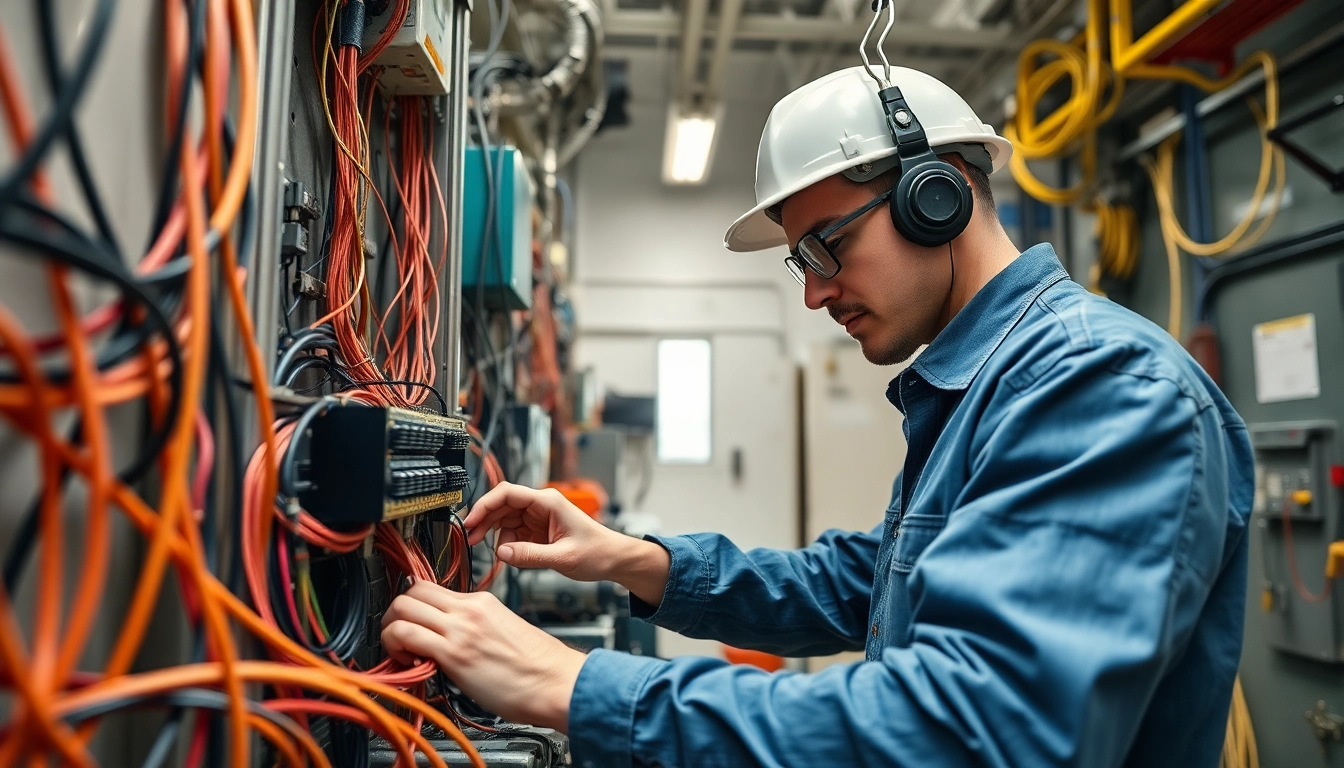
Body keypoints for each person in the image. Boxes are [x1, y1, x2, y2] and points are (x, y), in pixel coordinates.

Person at [382, 65, 1253, 768]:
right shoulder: (984, 383)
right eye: (801, 259)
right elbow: (866, 583)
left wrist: (575, 685)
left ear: (936, 196)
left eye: (828, 246)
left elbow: (973, 734)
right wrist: (633, 562)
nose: (812, 292)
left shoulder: (1099, 385)